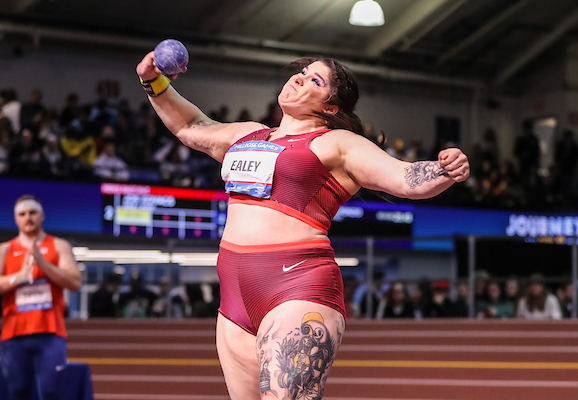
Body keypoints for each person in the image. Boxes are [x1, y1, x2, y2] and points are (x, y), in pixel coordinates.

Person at [136, 51, 470, 400]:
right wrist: (153, 82)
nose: (299, 78)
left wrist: (445, 168)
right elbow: (192, 127)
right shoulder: (248, 135)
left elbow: (404, 178)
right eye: (303, 72)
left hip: (297, 286)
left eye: (316, 80)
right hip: (234, 297)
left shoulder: (337, 144)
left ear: (330, 108)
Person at [0, 195, 82, 400]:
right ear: (16, 219)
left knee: (52, 390)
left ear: (42, 215)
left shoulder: (59, 245)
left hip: (51, 333)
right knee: (17, 391)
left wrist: (43, 265)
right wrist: (18, 277)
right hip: (13, 334)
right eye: (22, 214)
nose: (28, 218)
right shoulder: (5, 249)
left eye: (33, 213)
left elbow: (75, 282)